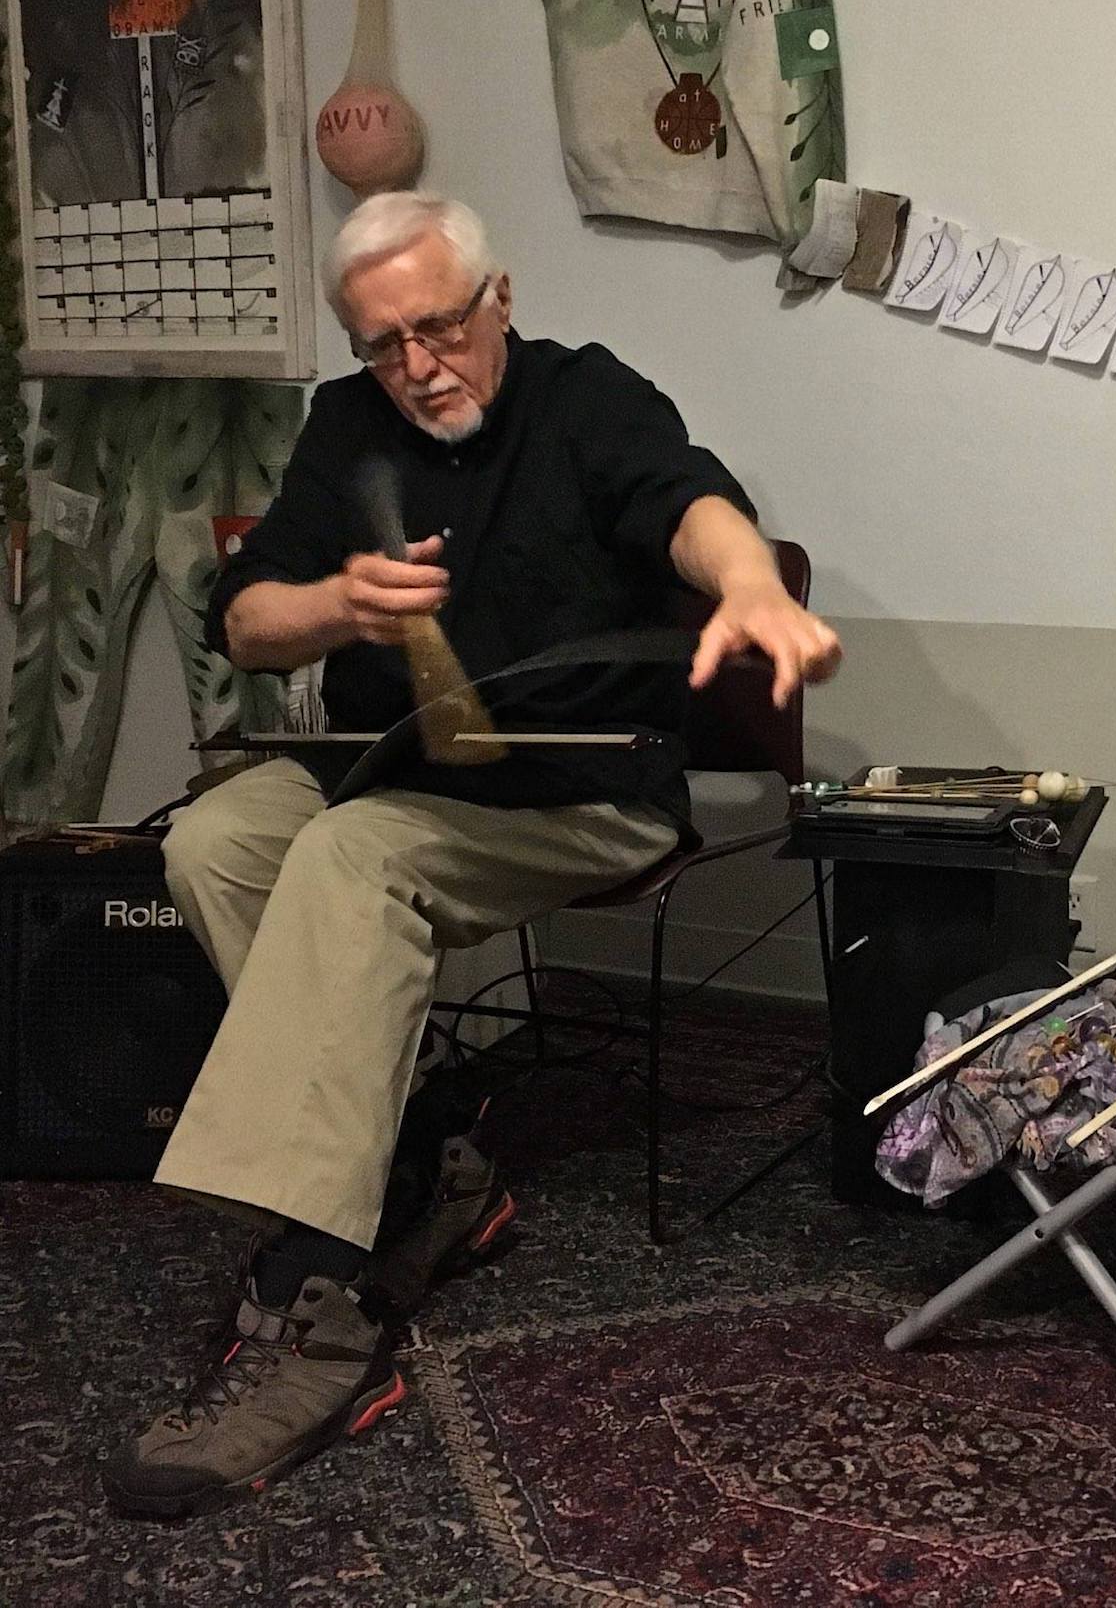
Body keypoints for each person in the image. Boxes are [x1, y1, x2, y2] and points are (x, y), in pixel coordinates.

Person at [103, 192, 841, 1518]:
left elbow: (691, 502)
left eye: (439, 325)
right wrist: (332, 603)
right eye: (383, 343)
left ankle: (321, 1295)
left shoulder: (586, 398)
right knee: (216, 841)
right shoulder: (345, 426)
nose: (418, 365)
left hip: (585, 788)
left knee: (353, 856)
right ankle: (415, 1155)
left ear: (496, 297)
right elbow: (250, 613)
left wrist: (748, 583)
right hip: (409, 772)